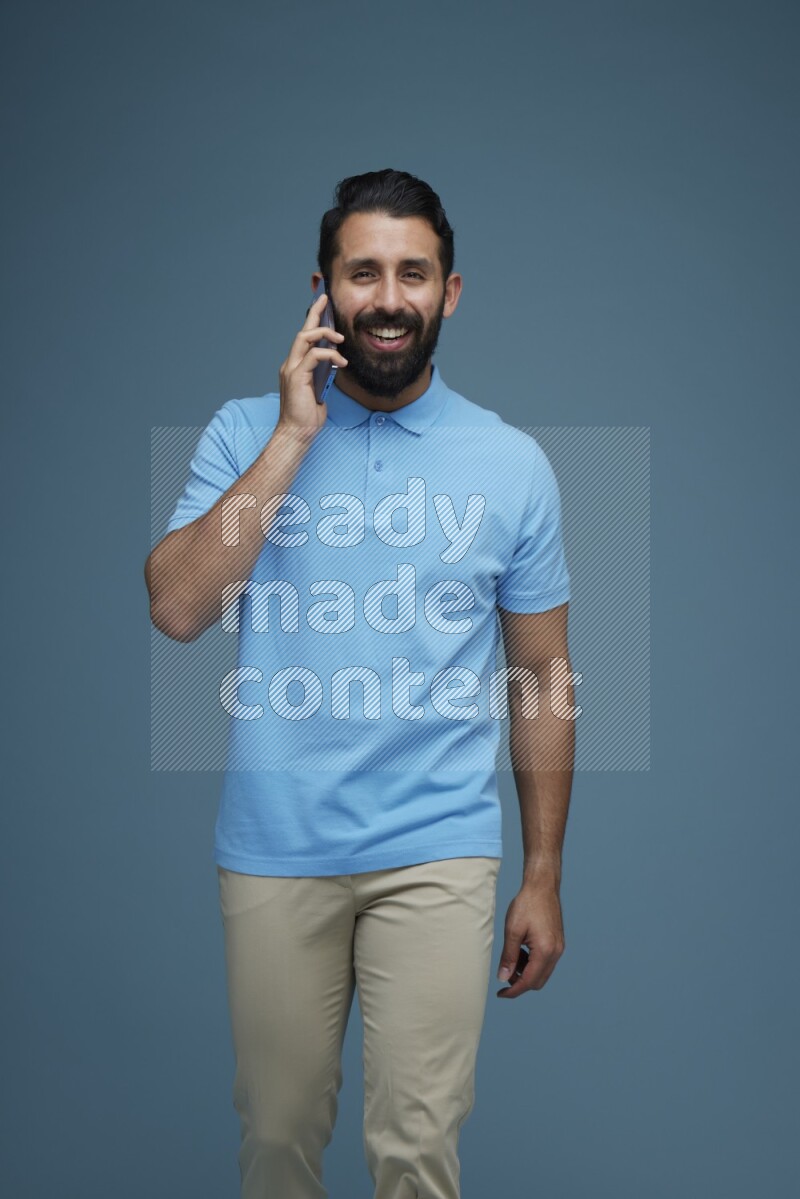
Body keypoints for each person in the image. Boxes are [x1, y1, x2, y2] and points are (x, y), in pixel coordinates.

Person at [144, 168, 577, 1199]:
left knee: (417, 1150)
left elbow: (541, 680)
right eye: (364, 271)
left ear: (450, 292)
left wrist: (543, 872)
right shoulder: (244, 432)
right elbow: (176, 608)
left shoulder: (509, 462)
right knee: (278, 1141)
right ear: (323, 289)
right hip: (275, 845)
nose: (388, 296)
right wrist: (294, 433)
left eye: (412, 273)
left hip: (437, 849)